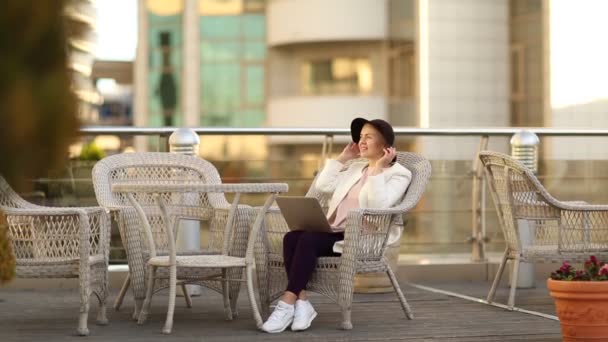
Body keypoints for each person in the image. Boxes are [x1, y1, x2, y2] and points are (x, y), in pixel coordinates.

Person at [261, 118, 412, 333]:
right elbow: (323, 186)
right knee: (292, 237)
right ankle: (302, 302)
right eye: (360, 137)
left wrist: (378, 169)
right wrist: (342, 159)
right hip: (332, 231)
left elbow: (379, 205)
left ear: (385, 146)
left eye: (368, 137)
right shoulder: (355, 167)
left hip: (359, 237)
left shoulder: (399, 174)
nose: (362, 141)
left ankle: (286, 303)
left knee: (306, 239)